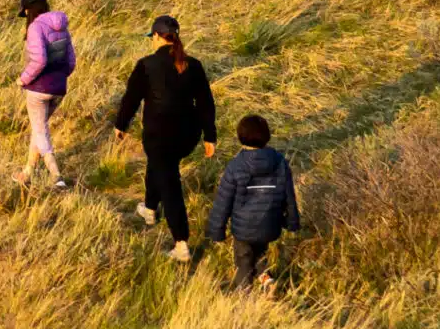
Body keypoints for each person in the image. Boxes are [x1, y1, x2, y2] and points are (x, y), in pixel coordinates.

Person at [112, 15, 216, 262]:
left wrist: (121, 124)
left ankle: (181, 244)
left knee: (169, 183)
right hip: (188, 135)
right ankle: (149, 210)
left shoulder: (146, 65)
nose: (151, 41)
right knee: (159, 166)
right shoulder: (193, 65)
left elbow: (131, 99)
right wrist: (209, 136)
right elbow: (205, 103)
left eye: (153, 37)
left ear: (157, 37)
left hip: (159, 135)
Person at [207, 114, 302, 289]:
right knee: (260, 253)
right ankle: (268, 282)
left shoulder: (235, 166)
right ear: (267, 136)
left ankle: (244, 297)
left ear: (240, 137)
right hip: (270, 224)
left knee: (244, 261)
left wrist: (216, 231)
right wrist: (292, 222)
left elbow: (223, 202)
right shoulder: (280, 162)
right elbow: (289, 196)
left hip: (243, 229)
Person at [15, 0, 75, 187]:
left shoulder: (35, 28)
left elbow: (39, 60)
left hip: (38, 88)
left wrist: (23, 80)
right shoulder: (63, 26)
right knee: (38, 128)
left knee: (40, 130)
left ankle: (56, 176)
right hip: (59, 87)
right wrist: (59, 77)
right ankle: (27, 173)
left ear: (28, 10)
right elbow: (71, 61)